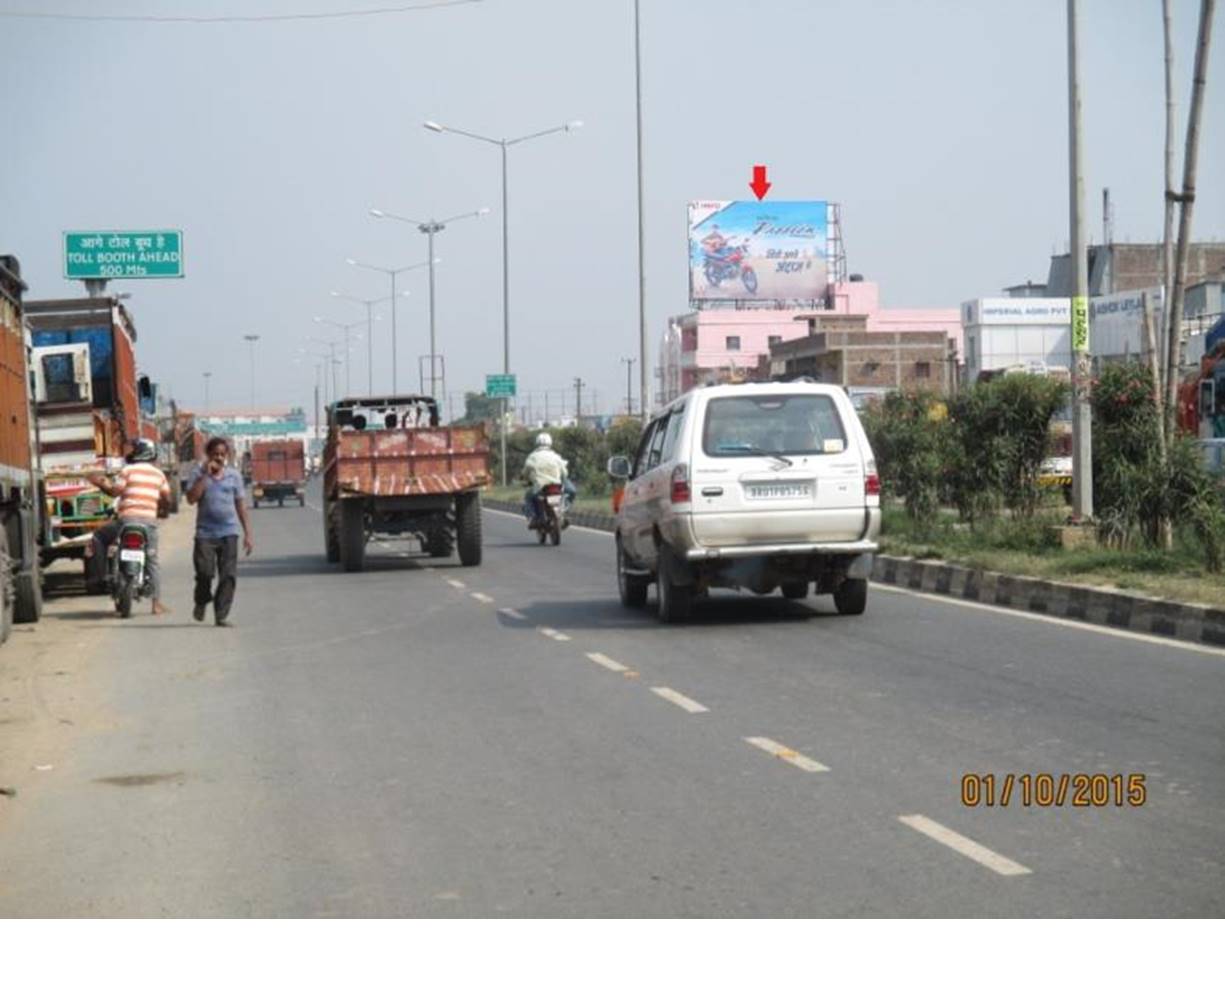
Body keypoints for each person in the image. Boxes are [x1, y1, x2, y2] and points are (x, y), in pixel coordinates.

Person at [86, 438, 171, 616]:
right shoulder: (159, 474)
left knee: (99, 537)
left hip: (126, 521)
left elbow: (115, 492)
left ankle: (99, 578)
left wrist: (100, 483)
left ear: (138, 452)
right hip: (148, 523)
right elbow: (167, 499)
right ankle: (156, 604)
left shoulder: (127, 470)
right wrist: (162, 511)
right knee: (152, 560)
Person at [185, 437, 254, 627]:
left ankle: (221, 615)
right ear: (208, 455)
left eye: (222, 454)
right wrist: (206, 476)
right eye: (215, 454)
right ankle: (201, 601)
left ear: (228, 456)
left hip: (229, 532)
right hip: (205, 533)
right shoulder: (198, 473)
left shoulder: (234, 476)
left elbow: (241, 505)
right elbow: (191, 499)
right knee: (204, 574)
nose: (219, 458)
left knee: (228, 575)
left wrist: (248, 533)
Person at [520, 432, 576, 528]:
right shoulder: (556, 456)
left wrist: (524, 478)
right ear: (550, 443)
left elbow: (526, 472)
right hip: (556, 485)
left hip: (540, 486)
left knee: (528, 497)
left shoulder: (532, 456)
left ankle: (533, 517)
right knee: (567, 494)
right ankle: (563, 511)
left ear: (537, 443)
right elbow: (564, 472)